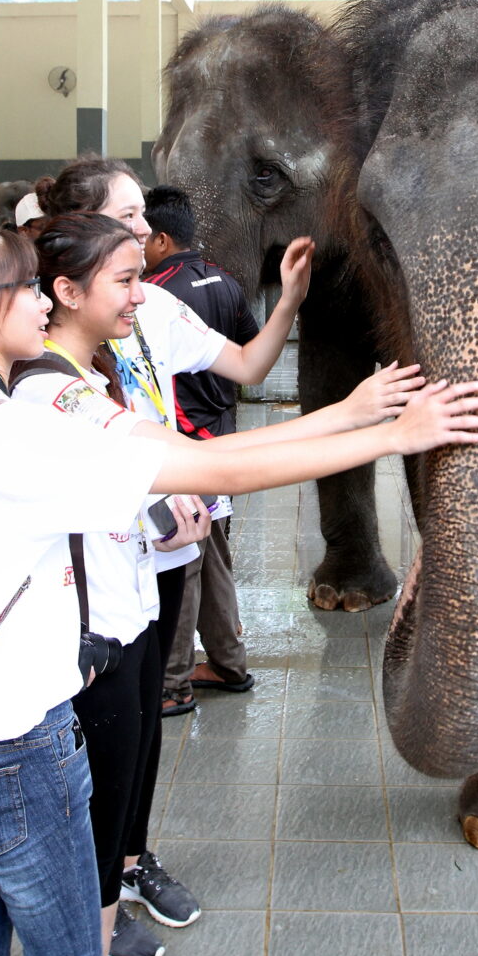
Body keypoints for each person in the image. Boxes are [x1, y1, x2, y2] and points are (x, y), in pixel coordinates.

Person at [0, 216, 478, 956]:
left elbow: (177, 452)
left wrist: (356, 414)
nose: (41, 305)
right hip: (18, 748)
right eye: (23, 289)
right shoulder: (14, 435)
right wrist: (392, 434)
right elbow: (217, 465)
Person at [35, 154, 316, 921]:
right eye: (127, 218)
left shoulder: (150, 309)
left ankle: (128, 861)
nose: (146, 230)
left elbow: (247, 365)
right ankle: (90, 895)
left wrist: (288, 300)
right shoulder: (58, 355)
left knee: (144, 720)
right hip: (102, 561)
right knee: (103, 730)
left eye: (142, 222)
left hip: (162, 551)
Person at [12, 213, 211, 956]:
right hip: (89, 641)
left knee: (112, 813)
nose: (141, 295)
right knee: (92, 831)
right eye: (125, 279)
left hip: (123, 619)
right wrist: (360, 424)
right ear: (64, 289)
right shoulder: (55, 394)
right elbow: (212, 466)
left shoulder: (92, 375)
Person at [142, 185, 258, 716]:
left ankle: (173, 682)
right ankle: (229, 661)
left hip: (184, 443)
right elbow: (247, 352)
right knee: (211, 551)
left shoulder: (152, 295)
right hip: (223, 431)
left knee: (182, 555)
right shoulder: (227, 282)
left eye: (140, 232)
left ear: (161, 237)